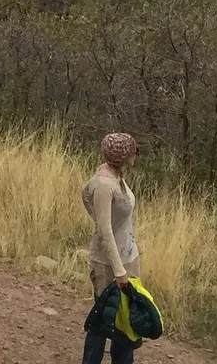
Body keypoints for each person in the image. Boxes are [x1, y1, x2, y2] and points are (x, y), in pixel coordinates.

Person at [81, 132, 139, 364]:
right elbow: (104, 230)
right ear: (124, 156)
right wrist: (119, 271)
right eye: (133, 152)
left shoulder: (117, 176)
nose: (136, 156)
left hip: (128, 257)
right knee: (102, 321)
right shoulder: (103, 185)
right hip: (108, 264)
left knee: (126, 321)